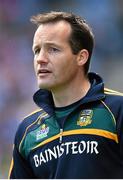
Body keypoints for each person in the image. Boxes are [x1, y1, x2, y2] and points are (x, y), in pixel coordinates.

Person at [8, 11, 123, 179]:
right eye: (37, 50)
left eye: (53, 49)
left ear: (81, 57)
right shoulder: (27, 130)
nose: (40, 59)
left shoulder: (117, 110)